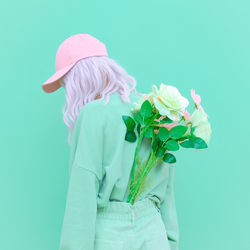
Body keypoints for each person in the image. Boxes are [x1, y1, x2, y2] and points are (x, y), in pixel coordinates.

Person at [41, 34, 180, 250]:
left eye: (65, 83)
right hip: (154, 232)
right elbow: (167, 188)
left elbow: (82, 196)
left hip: (110, 236)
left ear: (78, 78)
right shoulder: (152, 110)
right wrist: (170, 240)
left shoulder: (92, 115)